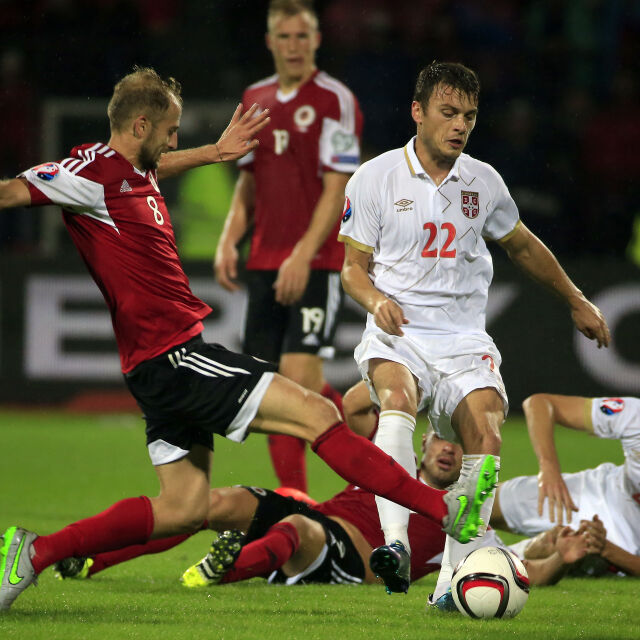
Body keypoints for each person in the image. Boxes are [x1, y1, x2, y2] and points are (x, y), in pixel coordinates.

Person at [0, 66, 479, 613]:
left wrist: (213, 152)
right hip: (176, 356)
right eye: (170, 131)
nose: (174, 141)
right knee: (316, 415)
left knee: (184, 506)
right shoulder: (88, 173)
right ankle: (443, 510)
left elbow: (145, 169)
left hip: (156, 364)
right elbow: (13, 192)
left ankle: (33, 553)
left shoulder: (131, 170)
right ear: (139, 125)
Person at [338, 60, 611, 595]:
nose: (459, 125)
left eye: (469, 115)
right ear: (418, 113)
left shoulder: (483, 182)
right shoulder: (374, 177)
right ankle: (394, 543)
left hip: (463, 338)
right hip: (401, 331)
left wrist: (576, 299)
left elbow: (523, 245)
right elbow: (352, 268)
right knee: (394, 399)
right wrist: (375, 301)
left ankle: (452, 579)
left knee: (486, 436)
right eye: (448, 113)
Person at [53, 427, 598, 589]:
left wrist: (558, 554)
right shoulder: (386, 463)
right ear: (425, 443)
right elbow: (359, 408)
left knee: (294, 528)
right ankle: (94, 560)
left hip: (344, 554)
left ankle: (221, 572)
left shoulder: (463, 517)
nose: (450, 449)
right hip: (317, 514)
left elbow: (512, 569)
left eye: (460, 447)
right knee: (211, 503)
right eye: (443, 439)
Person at [214, 0, 363, 494]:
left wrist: (302, 255)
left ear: (317, 40)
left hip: (316, 263)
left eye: (303, 36)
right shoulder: (254, 98)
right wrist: (229, 237)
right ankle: (302, 495)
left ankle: (365, 467)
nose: (295, 46)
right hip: (264, 263)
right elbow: (248, 181)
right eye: (286, 37)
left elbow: (337, 186)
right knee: (270, 392)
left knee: (296, 382)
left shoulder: (335, 99)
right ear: (270, 42)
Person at [491, 392, 640, 577]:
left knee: (554, 554)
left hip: (627, 541)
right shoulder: (635, 415)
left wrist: (608, 550)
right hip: (597, 491)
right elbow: (539, 403)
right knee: (470, 504)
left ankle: (521, 553)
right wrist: (549, 469)